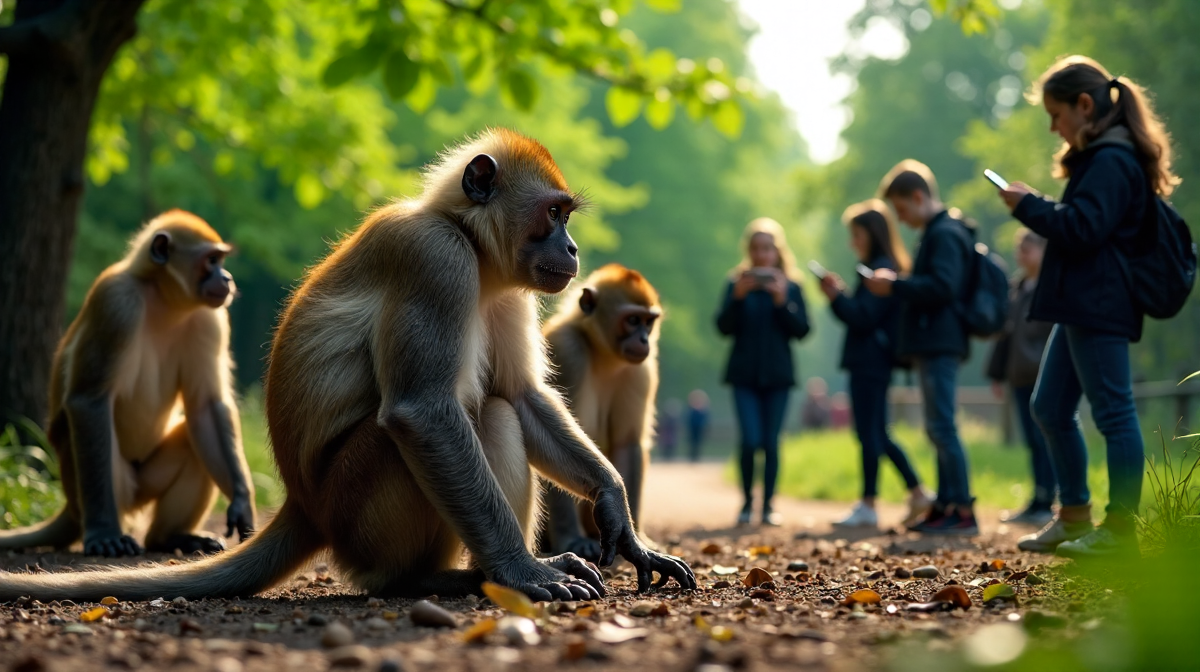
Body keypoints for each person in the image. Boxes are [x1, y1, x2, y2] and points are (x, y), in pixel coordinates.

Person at [999, 55, 1176, 559]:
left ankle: (1120, 530)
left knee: (1114, 413)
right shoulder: (1101, 157)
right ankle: (1074, 516)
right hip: (1081, 302)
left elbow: (1084, 228)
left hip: (1100, 301)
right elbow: (1084, 221)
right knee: (1049, 407)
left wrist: (1030, 207)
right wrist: (1038, 205)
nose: (1053, 127)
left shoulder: (1112, 159)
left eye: (1056, 115)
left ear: (1083, 104)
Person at [865, 159, 978, 536]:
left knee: (943, 426)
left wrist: (895, 284)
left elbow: (943, 287)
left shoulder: (944, 233)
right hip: (933, 341)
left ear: (917, 197)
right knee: (937, 427)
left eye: (901, 210)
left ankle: (962, 508)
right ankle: (945, 505)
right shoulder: (936, 232)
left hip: (941, 341)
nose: (901, 219)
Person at [820, 199, 931, 529]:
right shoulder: (880, 267)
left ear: (872, 234)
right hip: (872, 360)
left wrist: (836, 297)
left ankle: (870, 503)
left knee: (870, 433)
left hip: (871, 361)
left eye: (857, 234)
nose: (852, 242)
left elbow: (863, 317)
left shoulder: (881, 270)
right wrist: (841, 297)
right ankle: (918, 493)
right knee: (877, 432)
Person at [716, 217, 811, 526]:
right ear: (749, 250)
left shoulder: (792, 286)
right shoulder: (735, 284)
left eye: (767, 248)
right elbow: (722, 327)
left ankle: (768, 505)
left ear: (777, 251)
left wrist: (782, 302)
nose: (761, 254)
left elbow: (802, 330)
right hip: (743, 377)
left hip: (778, 377)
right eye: (756, 248)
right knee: (750, 439)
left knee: (770, 442)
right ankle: (746, 503)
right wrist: (737, 298)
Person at [986, 228, 1056, 526]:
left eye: (1027, 249)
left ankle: (1049, 499)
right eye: (1019, 250)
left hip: (1044, 373)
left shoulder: (1052, 287)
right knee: (1031, 439)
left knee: (1045, 439)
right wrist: (997, 373)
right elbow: (1006, 336)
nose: (1021, 256)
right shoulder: (1018, 288)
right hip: (1019, 375)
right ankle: (1037, 498)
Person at [686, 389, 710, 462]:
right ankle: (692, 456)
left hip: (699, 429)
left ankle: (696, 456)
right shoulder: (691, 411)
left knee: (698, 443)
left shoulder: (703, 412)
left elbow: (706, 421)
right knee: (692, 442)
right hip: (692, 429)